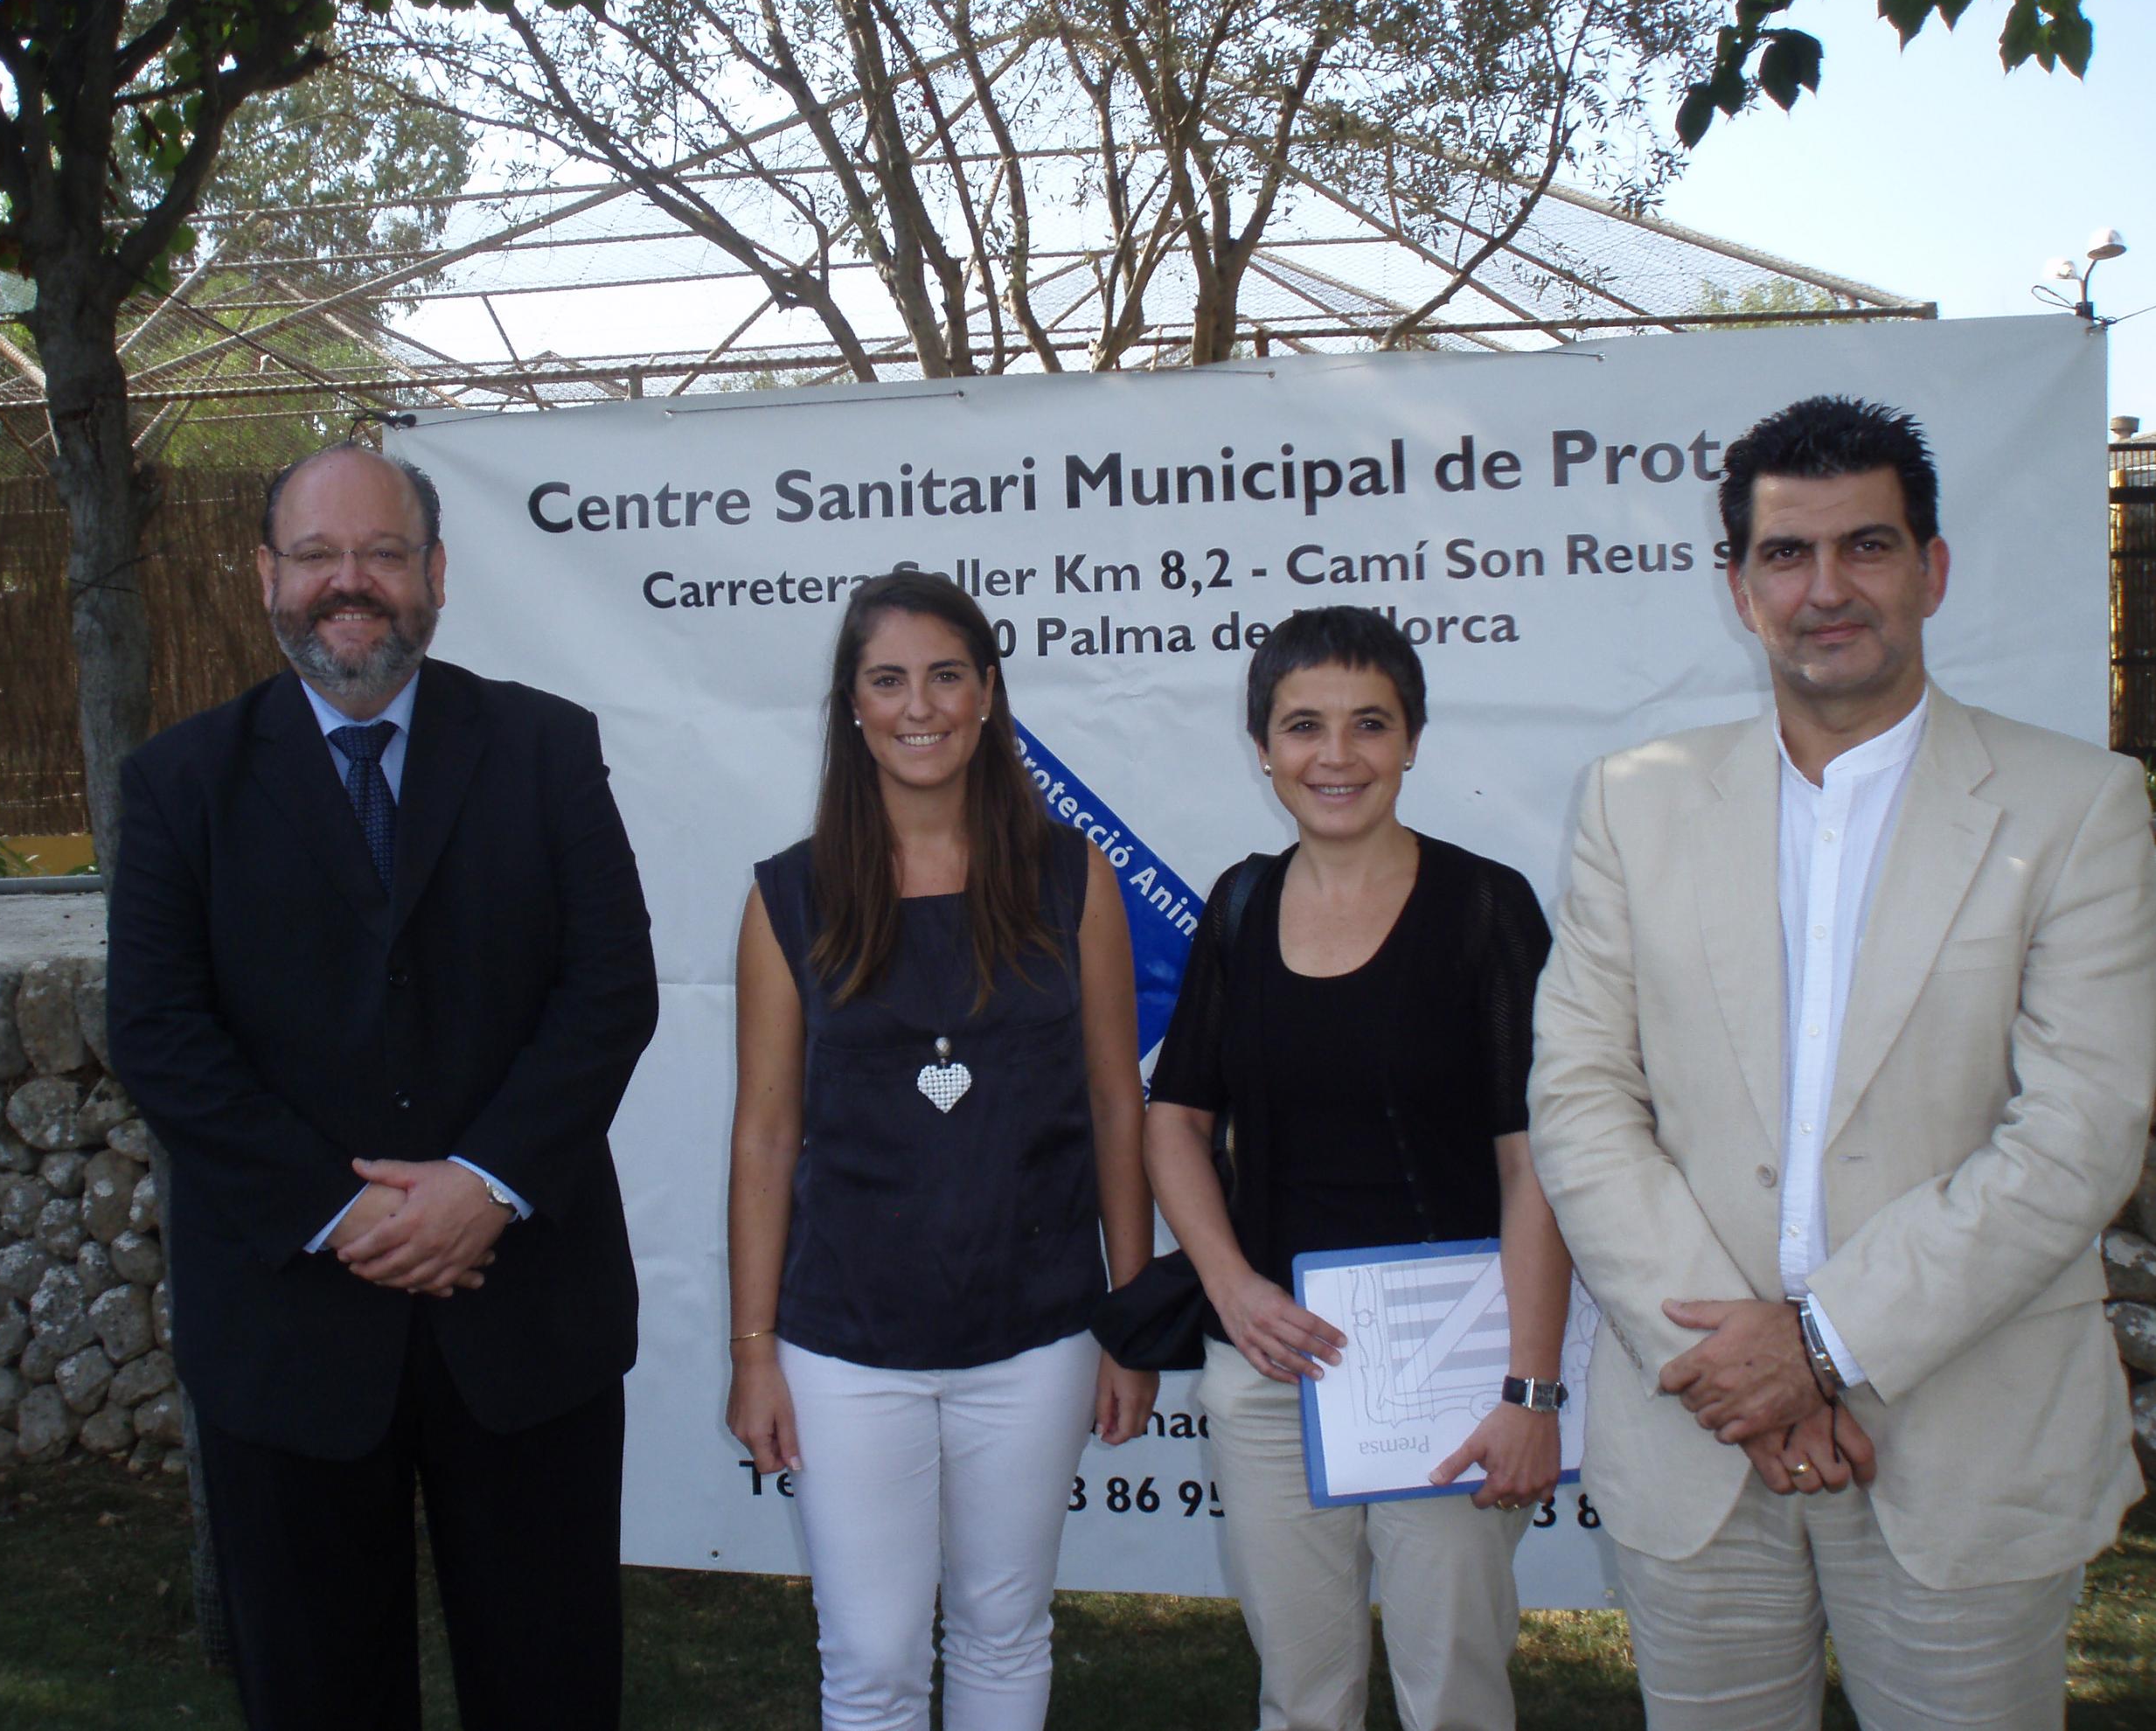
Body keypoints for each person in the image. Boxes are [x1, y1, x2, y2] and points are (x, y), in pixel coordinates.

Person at [1528, 395, 2156, 1728]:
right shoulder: (1631, 800)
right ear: (1737, 586)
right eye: (1784, 554)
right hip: (1697, 1432)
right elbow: (1580, 1097)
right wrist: (1742, 1371)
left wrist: (1816, 1345)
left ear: (1930, 569)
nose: (1825, 590)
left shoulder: (2075, 808)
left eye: (1865, 548)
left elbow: (2080, 1132)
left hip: (1964, 1445)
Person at [108, 444, 658, 1731]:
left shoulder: (544, 746)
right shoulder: (180, 785)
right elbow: (158, 1031)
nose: (348, 584)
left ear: (437, 576)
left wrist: (486, 1184)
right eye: (315, 556)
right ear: (265, 578)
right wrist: (340, 1209)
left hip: (526, 1322)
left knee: (550, 1691)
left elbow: (609, 990)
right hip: (291, 1335)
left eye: (382, 554)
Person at [724, 570, 1158, 1731]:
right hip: (844, 1339)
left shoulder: (1074, 878)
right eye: (888, 679)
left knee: (1004, 1630)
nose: (919, 704)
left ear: (985, 695)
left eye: (945, 674)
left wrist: (1130, 1315)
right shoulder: (790, 896)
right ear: (852, 705)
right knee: (867, 1654)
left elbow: (1118, 1102)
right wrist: (754, 1347)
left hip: (1037, 1328)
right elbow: (765, 1134)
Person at [1141, 605, 1573, 1731]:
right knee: (1302, 1693)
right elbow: (1174, 1120)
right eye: (1303, 727)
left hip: (1453, 1367)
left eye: (1369, 724)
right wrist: (1233, 1290)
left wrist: (1529, 1387)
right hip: (1270, 1365)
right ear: (1264, 748)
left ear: (1414, 738)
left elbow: (1535, 1163)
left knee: (1455, 1694)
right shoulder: (1239, 904)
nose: (1336, 757)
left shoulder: (1487, 909)